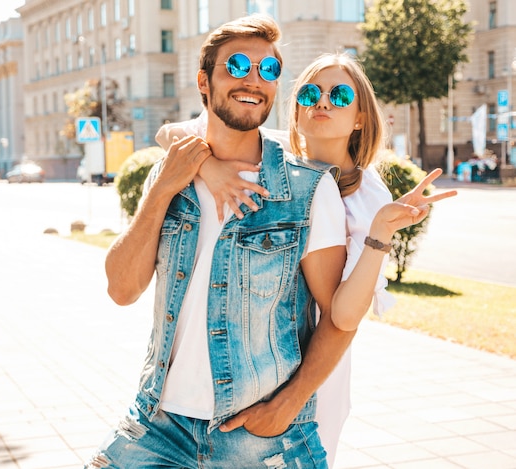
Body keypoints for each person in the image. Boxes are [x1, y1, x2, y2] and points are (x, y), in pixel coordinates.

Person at [155, 52, 457, 466]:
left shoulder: (368, 197)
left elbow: (344, 315)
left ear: (360, 118)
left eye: (339, 94)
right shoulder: (273, 152)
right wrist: (210, 168)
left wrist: (381, 232)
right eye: (311, 93)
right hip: (251, 363)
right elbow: (169, 133)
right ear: (295, 109)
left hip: (316, 371)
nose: (322, 102)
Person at [88, 14, 353, 468]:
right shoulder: (168, 176)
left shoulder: (308, 190)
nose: (254, 79)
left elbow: (338, 316)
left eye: (268, 70)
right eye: (237, 65)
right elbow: (121, 289)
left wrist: (288, 405)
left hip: (259, 438)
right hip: (159, 423)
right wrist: (162, 188)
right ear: (203, 82)